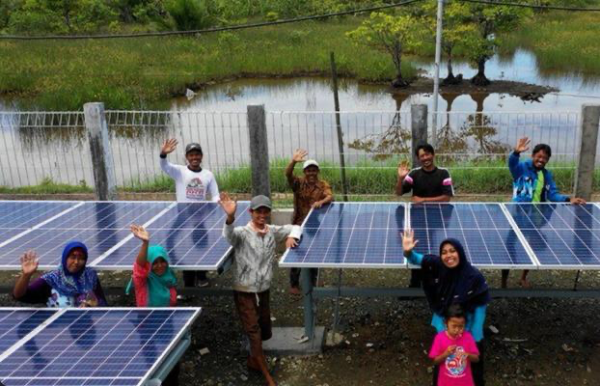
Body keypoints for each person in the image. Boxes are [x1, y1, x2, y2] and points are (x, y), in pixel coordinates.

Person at [220, 192, 302, 386]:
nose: (262, 215)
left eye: (265, 211)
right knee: (254, 330)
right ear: (251, 212)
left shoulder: (272, 230)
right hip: (245, 289)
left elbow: (297, 227)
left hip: (264, 288)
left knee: (265, 329)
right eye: (258, 211)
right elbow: (228, 235)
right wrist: (230, 217)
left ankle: (253, 359)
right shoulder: (242, 233)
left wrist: (291, 237)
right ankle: (265, 371)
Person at [402, 230, 490, 386]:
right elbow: (416, 259)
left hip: (467, 328)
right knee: (444, 366)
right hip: (445, 326)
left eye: (452, 251)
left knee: (472, 370)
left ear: (460, 252)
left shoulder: (473, 276)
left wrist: (474, 336)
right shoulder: (438, 265)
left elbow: (481, 305)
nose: (448, 256)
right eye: (444, 252)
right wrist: (408, 251)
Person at [502, 137, 586, 288]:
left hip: (536, 218)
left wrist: (568, 199)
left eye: (545, 158)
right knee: (510, 246)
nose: (541, 160)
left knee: (532, 247)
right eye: (539, 156)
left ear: (547, 160)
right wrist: (516, 152)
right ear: (533, 156)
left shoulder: (546, 175)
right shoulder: (521, 168)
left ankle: (523, 277)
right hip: (518, 216)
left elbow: (552, 195)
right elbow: (511, 164)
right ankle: (503, 283)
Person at [160, 138, 220, 289]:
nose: (194, 158)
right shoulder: (180, 172)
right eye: (191, 155)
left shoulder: (208, 175)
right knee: (180, 245)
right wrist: (163, 154)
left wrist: (212, 208)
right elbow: (164, 165)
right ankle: (188, 283)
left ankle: (201, 276)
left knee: (201, 246)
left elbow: (215, 195)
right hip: (182, 216)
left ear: (201, 156)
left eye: (197, 155)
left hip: (200, 218)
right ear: (186, 157)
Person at [127, 224, 180, 386]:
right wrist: (145, 244)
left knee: (171, 358)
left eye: (162, 261)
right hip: (147, 323)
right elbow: (140, 267)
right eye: (154, 263)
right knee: (151, 358)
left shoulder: (168, 278)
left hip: (167, 322)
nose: (159, 266)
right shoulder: (143, 280)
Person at [397, 143, 454, 288]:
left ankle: (435, 283)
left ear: (433, 155)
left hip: (439, 217)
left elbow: (447, 197)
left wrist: (423, 200)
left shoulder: (443, 173)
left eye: (428, 154)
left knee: (437, 249)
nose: (425, 158)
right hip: (418, 218)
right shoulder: (414, 174)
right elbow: (399, 193)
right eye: (422, 156)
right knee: (417, 248)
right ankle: (415, 283)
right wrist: (400, 178)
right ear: (418, 158)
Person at [285, 149, 333, 295]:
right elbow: (288, 174)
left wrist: (321, 201)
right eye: (308, 170)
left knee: (315, 252)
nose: (311, 173)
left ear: (317, 171)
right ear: (304, 172)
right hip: (298, 223)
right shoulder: (298, 183)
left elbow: (330, 196)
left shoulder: (323, 184)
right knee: (296, 251)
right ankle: (294, 284)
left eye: (313, 170)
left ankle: (313, 281)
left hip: (315, 225)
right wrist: (293, 161)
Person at [13, 242, 107, 308]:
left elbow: (102, 303)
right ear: (65, 257)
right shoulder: (52, 278)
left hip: (85, 327)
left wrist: (92, 303)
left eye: (81, 258)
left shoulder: (90, 276)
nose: (76, 262)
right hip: (57, 331)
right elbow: (20, 295)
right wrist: (26, 275)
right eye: (72, 257)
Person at [429, 304, 480, 386]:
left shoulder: (468, 337)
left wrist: (467, 355)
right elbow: (435, 361)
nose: (457, 330)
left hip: (465, 383)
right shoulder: (439, 338)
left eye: (461, 327)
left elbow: (476, 359)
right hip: (445, 383)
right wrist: (446, 354)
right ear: (446, 323)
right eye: (454, 326)